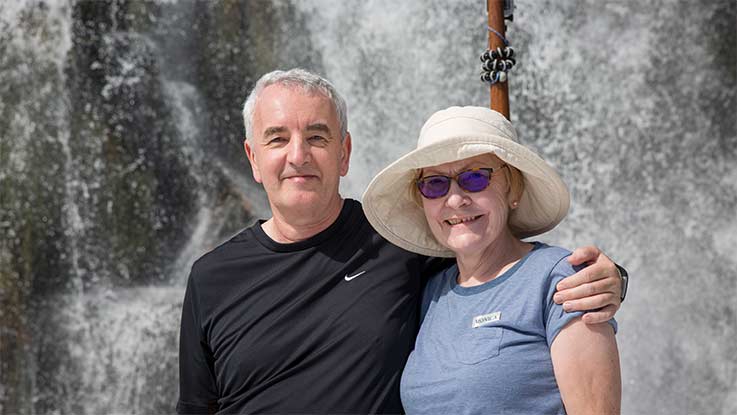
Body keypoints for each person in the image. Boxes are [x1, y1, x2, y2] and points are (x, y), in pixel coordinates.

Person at [176, 69, 626, 414]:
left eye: (317, 136)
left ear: (344, 153)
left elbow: (505, 266)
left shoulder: (399, 248)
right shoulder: (211, 278)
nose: (298, 155)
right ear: (253, 158)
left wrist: (611, 279)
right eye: (278, 139)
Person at [362, 105, 621, 414]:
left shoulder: (561, 280)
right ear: (422, 202)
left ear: (513, 187)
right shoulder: (432, 292)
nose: (455, 199)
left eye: (474, 178)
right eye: (435, 184)